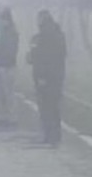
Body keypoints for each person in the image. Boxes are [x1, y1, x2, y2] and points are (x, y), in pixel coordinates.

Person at [27, 10, 67, 147]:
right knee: (53, 107)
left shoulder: (44, 36)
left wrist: (42, 76)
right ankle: (54, 135)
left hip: (46, 77)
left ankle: (50, 136)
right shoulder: (58, 35)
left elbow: (45, 57)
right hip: (57, 76)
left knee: (46, 107)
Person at [0, 8, 20, 126]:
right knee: (2, 93)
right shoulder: (7, 32)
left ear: (7, 20)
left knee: (8, 93)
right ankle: (4, 116)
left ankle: (11, 117)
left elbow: (8, 51)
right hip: (4, 65)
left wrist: (0, 62)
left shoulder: (10, 33)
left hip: (7, 66)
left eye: (2, 19)